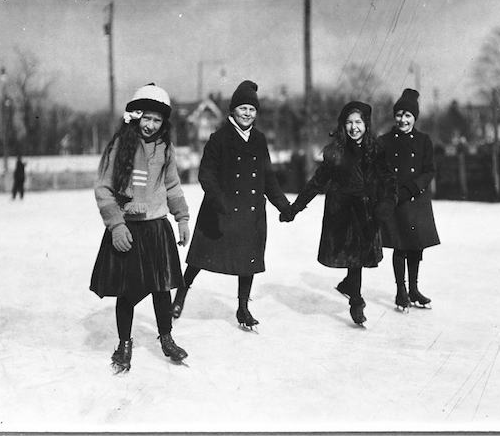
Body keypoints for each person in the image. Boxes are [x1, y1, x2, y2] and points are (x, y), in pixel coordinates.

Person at [171, 80, 292, 330]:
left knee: (248, 261)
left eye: (252, 109)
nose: (247, 113)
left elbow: (268, 178)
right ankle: (181, 292)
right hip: (220, 211)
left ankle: (243, 307)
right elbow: (206, 174)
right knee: (199, 259)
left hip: (250, 212)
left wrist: (283, 206)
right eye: (242, 108)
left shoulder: (259, 139)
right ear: (232, 111)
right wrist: (219, 200)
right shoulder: (219, 138)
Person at [90, 83, 191, 373]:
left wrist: (182, 219)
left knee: (161, 289)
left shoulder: (165, 148)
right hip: (128, 229)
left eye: (157, 120)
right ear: (135, 117)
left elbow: (172, 186)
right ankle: (124, 342)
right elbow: (103, 189)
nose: (151, 125)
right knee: (127, 291)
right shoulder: (120, 146)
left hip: (157, 228)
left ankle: (167, 337)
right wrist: (116, 226)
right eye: (146, 118)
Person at [280, 101, 396, 326]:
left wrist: (387, 203)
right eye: (349, 122)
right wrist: (295, 208)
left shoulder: (377, 149)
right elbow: (317, 182)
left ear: (366, 125)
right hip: (341, 212)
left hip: (367, 210)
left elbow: (389, 179)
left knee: (359, 257)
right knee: (355, 257)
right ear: (343, 125)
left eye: (359, 122)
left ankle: (349, 287)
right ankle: (356, 300)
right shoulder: (335, 151)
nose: (354, 128)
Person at [377, 89, 440, 310]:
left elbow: (429, 170)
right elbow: (379, 171)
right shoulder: (384, 141)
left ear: (415, 118)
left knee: (416, 246)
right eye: (399, 115)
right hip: (395, 201)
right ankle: (400, 291)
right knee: (400, 246)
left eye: (407, 116)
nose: (402, 120)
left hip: (417, 201)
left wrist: (413, 188)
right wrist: (392, 192)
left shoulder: (424, 141)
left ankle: (413, 289)